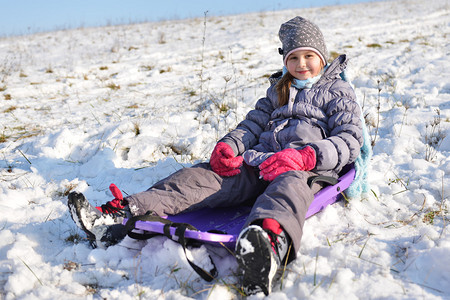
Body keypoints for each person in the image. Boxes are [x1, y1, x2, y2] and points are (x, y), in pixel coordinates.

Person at [68, 16, 363, 296]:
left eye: (308, 56)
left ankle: (267, 246)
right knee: (202, 177)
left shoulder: (337, 92)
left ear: (322, 57)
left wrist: (307, 156)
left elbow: (350, 139)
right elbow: (251, 126)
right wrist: (230, 146)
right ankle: (123, 214)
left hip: (303, 168)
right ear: (285, 61)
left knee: (287, 191)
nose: (301, 64)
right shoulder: (277, 91)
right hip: (258, 162)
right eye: (293, 58)